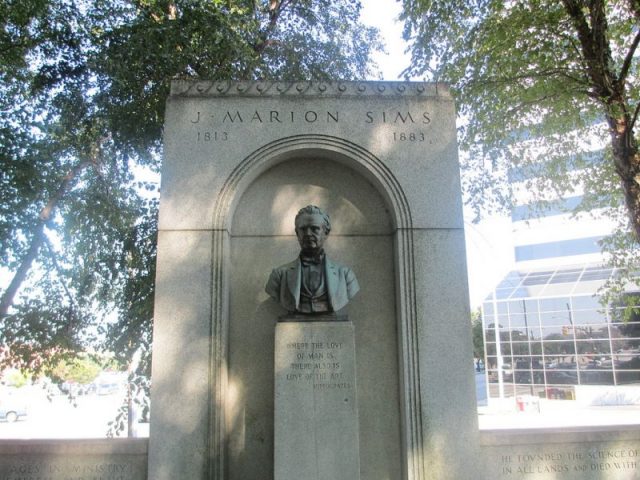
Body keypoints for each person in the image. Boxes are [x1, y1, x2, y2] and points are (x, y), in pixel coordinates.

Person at [265, 205, 359, 315]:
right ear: (297, 233)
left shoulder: (345, 276)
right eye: (303, 229)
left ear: (326, 232)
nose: (308, 234)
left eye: (314, 228)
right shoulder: (279, 276)